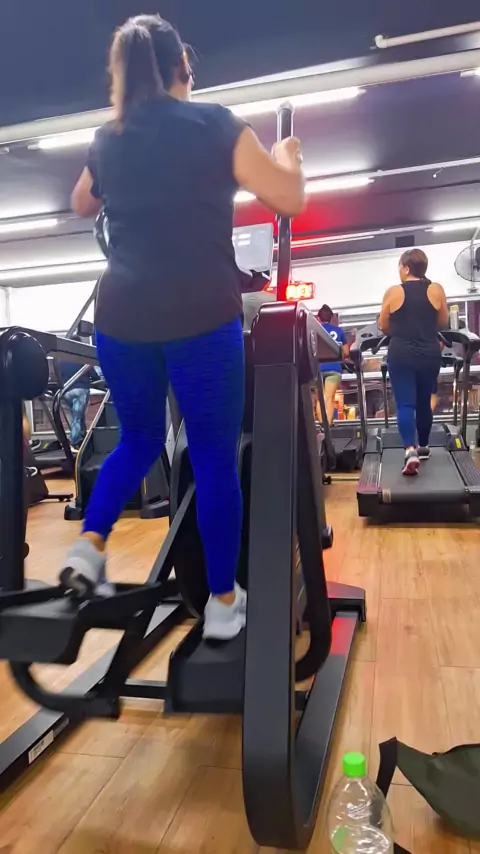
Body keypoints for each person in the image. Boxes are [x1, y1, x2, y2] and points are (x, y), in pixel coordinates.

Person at [61, 14, 305, 641]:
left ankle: (89, 545)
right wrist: (287, 158)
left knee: (138, 439)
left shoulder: (110, 135)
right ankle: (222, 601)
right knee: (215, 457)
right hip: (200, 313)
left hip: (121, 317)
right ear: (183, 68)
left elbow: (81, 202)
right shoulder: (216, 124)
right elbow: (288, 198)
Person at [379, 249, 448, 475]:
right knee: (424, 400)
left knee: (405, 404)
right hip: (429, 353)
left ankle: (410, 450)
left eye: (400, 267)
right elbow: (442, 322)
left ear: (407, 268)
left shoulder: (394, 291)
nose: (399, 271)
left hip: (402, 353)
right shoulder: (436, 289)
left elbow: (383, 325)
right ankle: (424, 446)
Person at [58, 338, 99, 448]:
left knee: (74, 419)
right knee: (78, 418)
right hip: (80, 390)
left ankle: (82, 440)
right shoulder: (82, 359)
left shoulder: (61, 360)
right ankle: (75, 441)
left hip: (65, 392)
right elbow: (94, 376)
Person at [316, 305, 348, 424]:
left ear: (318, 318)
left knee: (320, 399)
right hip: (334, 369)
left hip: (317, 369)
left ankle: (322, 425)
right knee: (329, 398)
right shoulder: (338, 331)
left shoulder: (314, 330)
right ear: (331, 318)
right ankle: (328, 426)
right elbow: (346, 352)